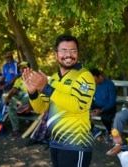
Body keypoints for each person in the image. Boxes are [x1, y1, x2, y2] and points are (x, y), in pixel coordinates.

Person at [22, 34, 96, 167]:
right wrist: (32, 92)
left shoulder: (85, 76)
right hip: (55, 143)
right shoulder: (53, 79)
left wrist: (45, 87)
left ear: (78, 54)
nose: (69, 54)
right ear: (56, 55)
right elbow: (41, 108)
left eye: (73, 50)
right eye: (64, 50)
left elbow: (78, 106)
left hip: (76, 145)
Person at [89, 68, 117, 143]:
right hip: (97, 105)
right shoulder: (93, 84)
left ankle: (110, 132)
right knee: (82, 113)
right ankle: (94, 130)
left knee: (105, 118)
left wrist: (101, 110)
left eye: (95, 80)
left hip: (108, 107)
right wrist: (91, 109)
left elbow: (112, 102)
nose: (94, 82)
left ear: (100, 76)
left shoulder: (109, 84)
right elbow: (91, 98)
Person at [3, 61, 30, 137]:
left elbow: (35, 93)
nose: (22, 69)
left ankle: (19, 106)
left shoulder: (32, 78)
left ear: (29, 69)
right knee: (5, 96)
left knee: (27, 95)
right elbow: (13, 90)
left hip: (30, 98)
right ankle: (16, 130)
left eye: (24, 68)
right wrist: (7, 98)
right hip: (21, 98)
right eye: (20, 68)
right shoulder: (19, 79)